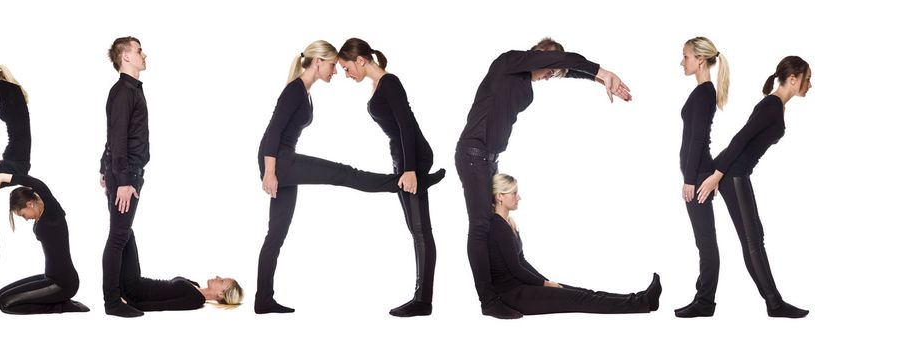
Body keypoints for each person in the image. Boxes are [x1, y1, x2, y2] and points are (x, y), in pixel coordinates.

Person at [255, 40, 444, 314]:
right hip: (280, 163)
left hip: (283, 163)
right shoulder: (295, 89)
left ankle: (263, 300)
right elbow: (273, 131)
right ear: (318, 61)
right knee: (343, 173)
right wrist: (270, 172)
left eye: (342, 67)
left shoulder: (305, 90)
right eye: (334, 66)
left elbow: (404, 123)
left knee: (276, 234)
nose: (336, 72)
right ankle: (398, 183)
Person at [456, 37, 632, 319]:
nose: (549, 77)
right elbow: (564, 62)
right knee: (479, 226)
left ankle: (506, 284)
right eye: (549, 69)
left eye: (552, 74)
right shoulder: (509, 61)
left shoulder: (525, 76)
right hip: (473, 153)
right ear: (540, 55)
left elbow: (566, 69)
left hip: (489, 158)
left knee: (493, 224)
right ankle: (487, 301)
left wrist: (595, 80)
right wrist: (602, 72)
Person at [696, 56, 812, 318]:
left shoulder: (775, 105)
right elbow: (741, 138)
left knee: (754, 238)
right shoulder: (771, 105)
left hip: (737, 174)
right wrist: (717, 175)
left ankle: (774, 302)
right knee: (753, 241)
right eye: (808, 79)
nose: (810, 85)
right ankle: (774, 303)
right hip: (733, 174)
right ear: (793, 79)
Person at [337, 38, 437, 317]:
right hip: (403, 160)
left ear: (360, 60)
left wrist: (410, 170)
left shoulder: (390, 82)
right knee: (414, 229)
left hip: (413, 160)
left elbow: (406, 125)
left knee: (421, 230)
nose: (347, 74)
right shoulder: (377, 85)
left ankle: (423, 301)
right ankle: (421, 299)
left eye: (347, 68)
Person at [487, 174, 661, 316]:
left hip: (524, 287)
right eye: (514, 193)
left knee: (584, 293)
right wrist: (545, 285)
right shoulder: (498, 226)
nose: (519, 197)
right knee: (581, 299)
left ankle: (642, 299)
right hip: (514, 295)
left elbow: (522, 261)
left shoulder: (509, 223)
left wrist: (546, 281)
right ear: (500, 197)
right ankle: (644, 302)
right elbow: (516, 269)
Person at [674, 36, 729, 318]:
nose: (681, 62)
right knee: (703, 241)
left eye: (685, 56)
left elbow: (697, 140)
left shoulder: (705, 92)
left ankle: (705, 302)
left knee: (706, 242)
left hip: (699, 176)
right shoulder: (703, 92)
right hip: (698, 173)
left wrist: (690, 179)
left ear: (700, 60)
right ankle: (703, 299)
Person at [98, 36, 151, 317]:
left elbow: (113, 135)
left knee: (122, 233)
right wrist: (125, 180)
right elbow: (117, 138)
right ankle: (112, 302)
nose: (144, 55)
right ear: (126, 57)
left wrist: (103, 168)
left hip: (122, 172)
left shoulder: (130, 90)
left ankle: (127, 292)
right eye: (139, 50)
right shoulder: (123, 91)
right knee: (118, 236)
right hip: (126, 174)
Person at [0, 173, 89, 314]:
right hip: (49, 277)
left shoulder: (52, 212)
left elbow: (38, 184)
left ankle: (61, 305)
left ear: (29, 204)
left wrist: (3, 177)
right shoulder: (39, 215)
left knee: (6, 304)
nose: (24, 219)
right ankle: (59, 301)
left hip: (63, 283)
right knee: (0, 296)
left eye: (23, 215)